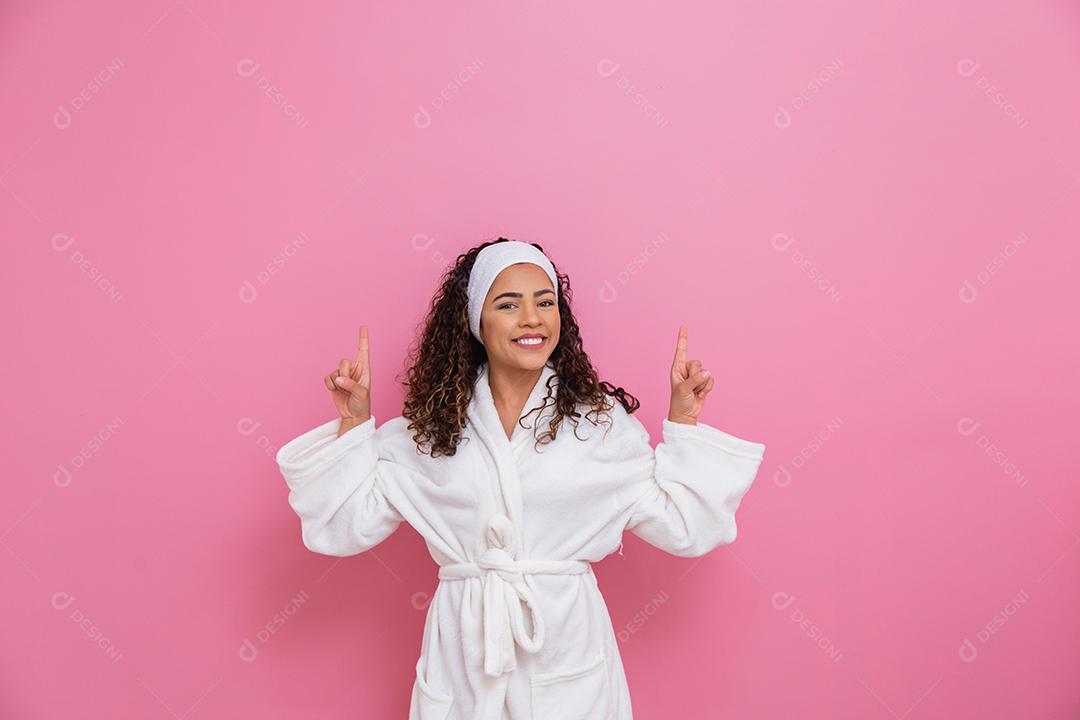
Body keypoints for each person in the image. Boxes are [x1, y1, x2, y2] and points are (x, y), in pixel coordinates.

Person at [275, 238, 766, 720]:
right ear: (476, 323)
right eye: (509, 304)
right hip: (464, 655)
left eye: (545, 302)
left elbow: (686, 526)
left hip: (566, 654)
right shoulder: (428, 431)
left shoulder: (598, 425)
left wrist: (683, 424)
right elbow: (342, 528)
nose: (532, 318)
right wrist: (354, 425)